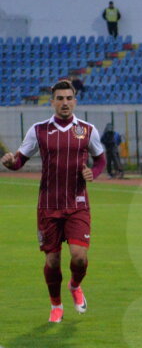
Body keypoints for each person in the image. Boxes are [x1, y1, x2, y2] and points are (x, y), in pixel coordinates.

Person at [1, 80, 106, 323]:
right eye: (60, 98)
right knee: (53, 260)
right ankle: (55, 304)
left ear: (75, 101)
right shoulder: (38, 130)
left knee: (79, 257)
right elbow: (19, 161)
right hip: (48, 205)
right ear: (52, 102)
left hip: (77, 203)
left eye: (69, 98)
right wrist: (10, 163)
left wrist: (94, 172)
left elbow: (100, 160)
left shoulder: (87, 130)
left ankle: (75, 285)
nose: (65, 103)